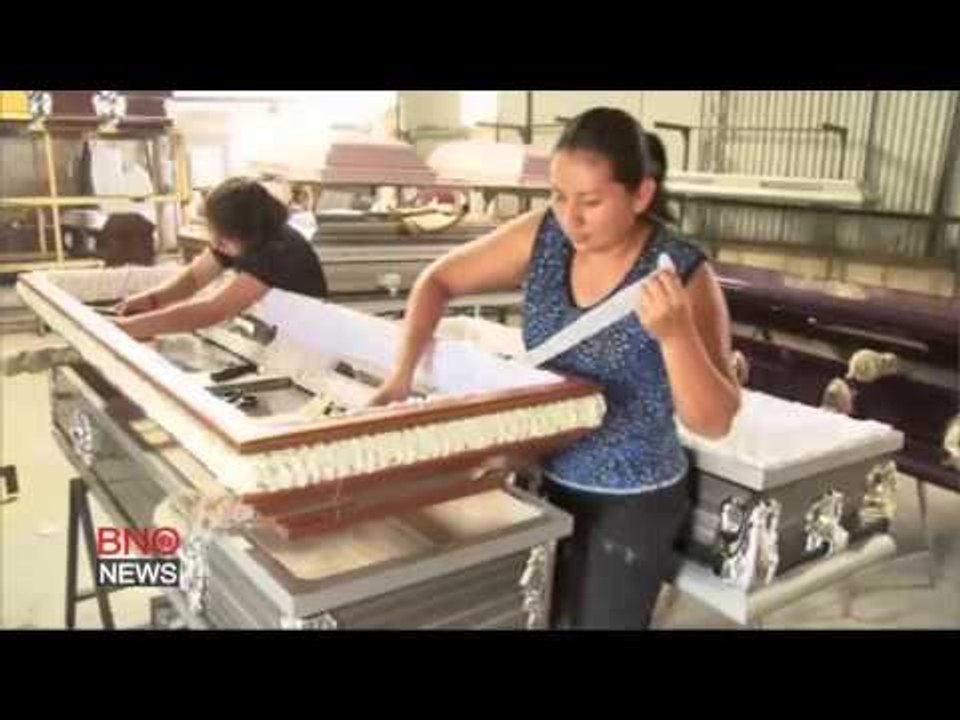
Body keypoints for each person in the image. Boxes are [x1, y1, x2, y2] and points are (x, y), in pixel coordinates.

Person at [369, 107, 741, 629]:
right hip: (542, 473)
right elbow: (437, 281)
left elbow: (714, 420)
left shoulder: (679, 274)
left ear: (640, 195)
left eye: (590, 201)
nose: (572, 218)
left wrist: (676, 336)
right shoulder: (544, 236)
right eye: (559, 196)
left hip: (631, 499)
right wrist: (400, 377)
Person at [114, 177, 328, 340]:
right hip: (271, 328)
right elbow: (194, 279)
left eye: (222, 238)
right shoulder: (240, 236)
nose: (215, 243)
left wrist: (131, 328)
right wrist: (152, 300)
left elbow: (214, 310)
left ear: (245, 230)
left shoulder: (276, 251)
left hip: (303, 341)